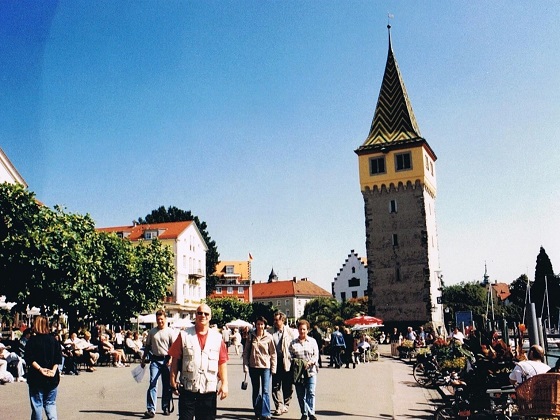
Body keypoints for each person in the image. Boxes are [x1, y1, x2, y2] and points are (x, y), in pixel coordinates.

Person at [169, 304, 229, 420]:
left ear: (210, 317)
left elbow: (222, 362)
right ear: (195, 315)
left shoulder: (217, 338)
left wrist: (224, 384)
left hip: (208, 390)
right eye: (200, 313)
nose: (203, 316)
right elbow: (175, 359)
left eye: (206, 314)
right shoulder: (184, 335)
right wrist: (172, 380)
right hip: (188, 389)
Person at [24, 316, 63, 420]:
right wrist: (53, 371)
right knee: (50, 403)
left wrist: (40, 369)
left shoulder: (32, 341)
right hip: (52, 377)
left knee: (37, 405)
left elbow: (29, 358)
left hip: (36, 377)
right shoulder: (53, 340)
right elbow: (58, 358)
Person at [141, 309, 175, 418]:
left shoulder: (170, 332)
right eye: (158, 319)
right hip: (155, 360)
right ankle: (151, 409)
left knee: (166, 385)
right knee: (152, 383)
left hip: (166, 360)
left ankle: (165, 407)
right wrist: (143, 359)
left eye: (161, 319)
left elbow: (174, 348)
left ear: (165, 319)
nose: (160, 321)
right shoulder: (152, 332)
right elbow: (147, 346)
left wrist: (171, 359)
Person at [243, 316, 277, 420]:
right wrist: (245, 366)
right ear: (255, 325)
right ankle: (257, 412)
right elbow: (246, 352)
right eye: (258, 324)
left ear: (265, 325)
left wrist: (273, 368)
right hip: (254, 366)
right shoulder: (251, 336)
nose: (260, 326)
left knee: (265, 390)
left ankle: (266, 413)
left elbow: (273, 353)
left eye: (262, 324)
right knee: (256, 390)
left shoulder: (269, 337)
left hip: (265, 367)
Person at [289, 319, 319, 420]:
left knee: (311, 392)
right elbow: (290, 356)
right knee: (301, 395)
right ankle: (304, 413)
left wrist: (310, 362)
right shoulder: (293, 343)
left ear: (308, 330)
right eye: (300, 329)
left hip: (311, 371)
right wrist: (297, 362)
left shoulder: (312, 341)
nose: (302, 331)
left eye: (304, 329)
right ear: (297, 329)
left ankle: (311, 413)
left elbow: (316, 355)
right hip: (298, 372)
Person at [270, 311, 296, 416]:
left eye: (277, 320)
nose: (275, 322)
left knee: (288, 385)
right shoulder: (270, 332)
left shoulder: (290, 332)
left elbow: (294, 345)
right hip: (275, 361)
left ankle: (286, 404)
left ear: (283, 320)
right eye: (274, 320)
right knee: (275, 385)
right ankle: (278, 406)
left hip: (287, 360)